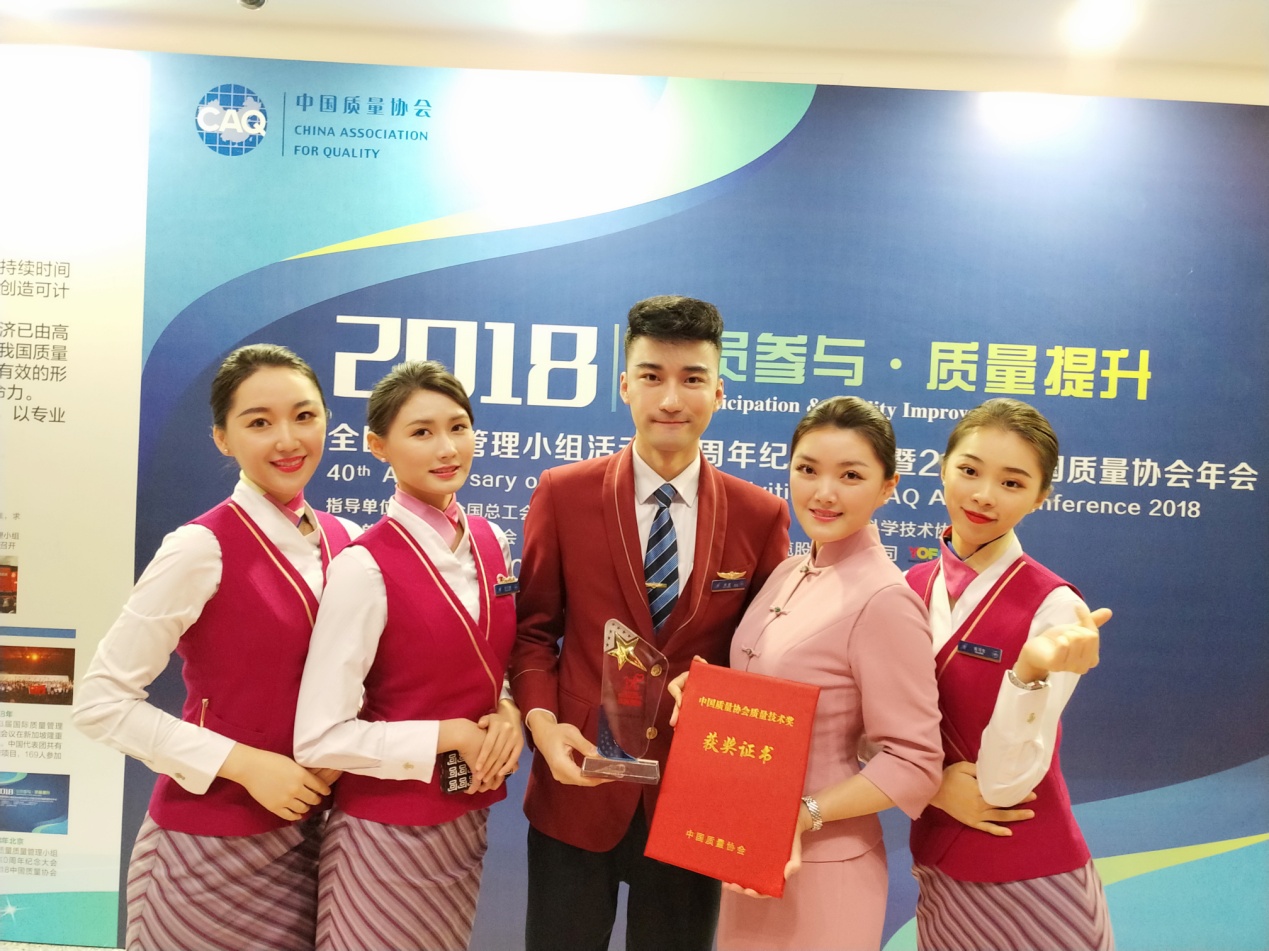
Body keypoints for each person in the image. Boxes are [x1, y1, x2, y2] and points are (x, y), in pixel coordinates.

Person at [510, 295, 790, 951]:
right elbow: (533, 631)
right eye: (651, 376)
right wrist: (543, 730)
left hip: (695, 793)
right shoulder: (563, 492)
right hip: (577, 777)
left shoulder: (759, 514)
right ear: (624, 385)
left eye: (691, 378)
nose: (670, 398)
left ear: (718, 391)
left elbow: (763, 655)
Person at [73, 343, 359, 951]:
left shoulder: (347, 542)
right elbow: (101, 702)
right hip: (209, 847)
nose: (287, 439)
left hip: (320, 839)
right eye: (259, 422)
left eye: (304, 416)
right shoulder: (200, 547)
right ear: (222, 439)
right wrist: (248, 765)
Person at [669, 395, 944, 951]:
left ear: (888, 487)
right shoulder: (790, 571)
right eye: (808, 469)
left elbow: (914, 762)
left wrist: (803, 814)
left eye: (851, 475)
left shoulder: (885, 598)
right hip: (750, 855)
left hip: (824, 868)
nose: (824, 492)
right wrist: (707, 695)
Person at [294, 360, 522, 951]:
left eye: (458, 427)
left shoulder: (492, 542)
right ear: (378, 446)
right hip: (384, 830)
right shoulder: (364, 565)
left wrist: (507, 710)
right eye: (421, 432)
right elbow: (318, 739)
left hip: (466, 817)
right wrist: (449, 734)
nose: (447, 448)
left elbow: (484, 660)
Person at [907, 397, 1113, 951]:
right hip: (937, 859)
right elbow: (872, 730)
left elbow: (1003, 785)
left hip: (1032, 873)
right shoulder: (906, 588)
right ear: (942, 468)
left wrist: (1028, 670)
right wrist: (931, 784)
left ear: (1040, 497)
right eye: (970, 470)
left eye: (1012, 483)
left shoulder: (1056, 608)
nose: (984, 495)